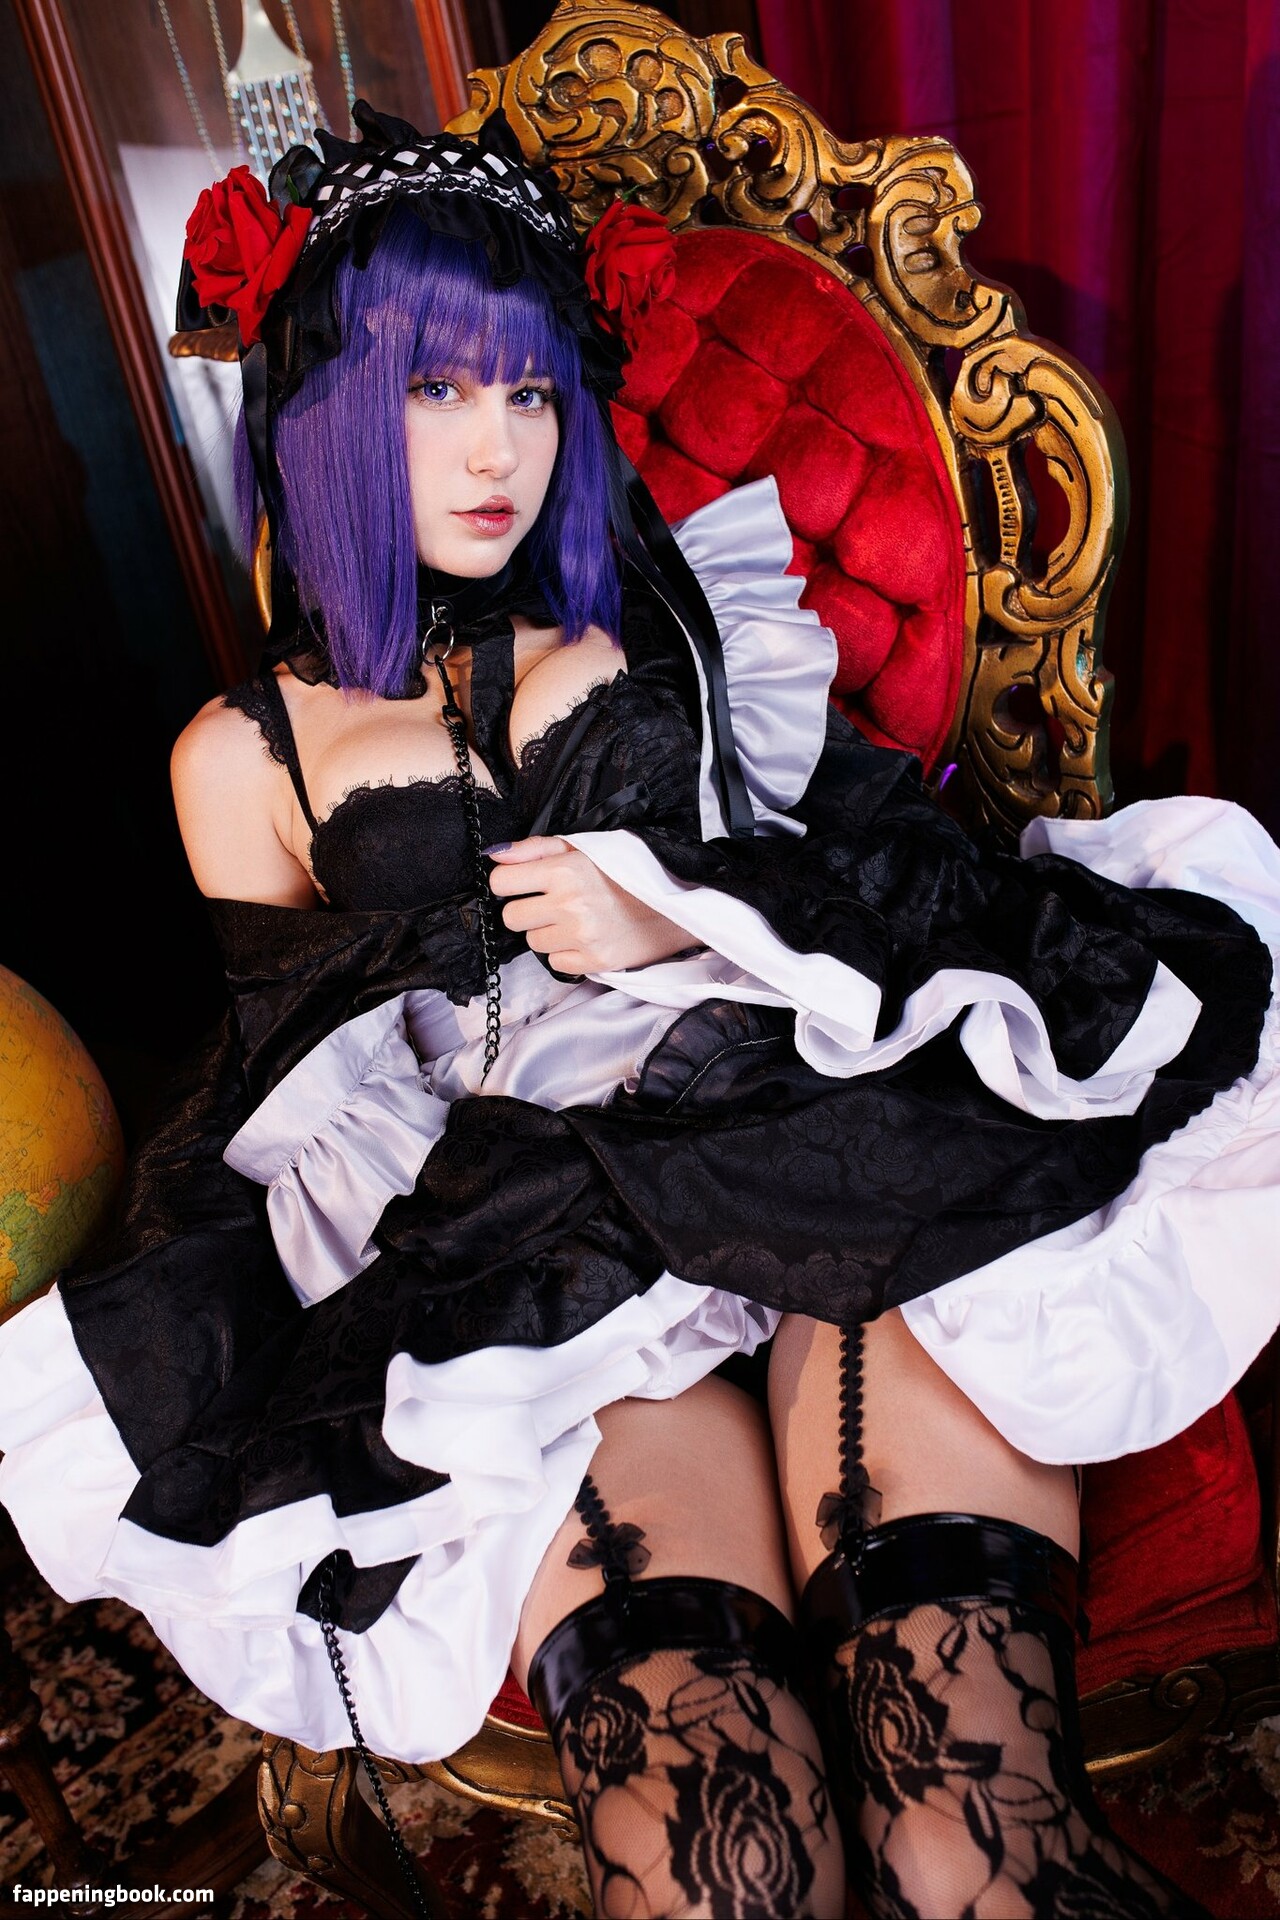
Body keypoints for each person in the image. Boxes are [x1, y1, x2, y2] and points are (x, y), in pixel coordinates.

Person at [1, 100, 1275, 1920]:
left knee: (965, 1825)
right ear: (327, 405)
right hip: (531, 1247)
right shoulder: (240, 755)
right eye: (438, 388)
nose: (499, 447)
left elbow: (887, 855)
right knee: (719, 1850)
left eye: (531, 392)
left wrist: (676, 906)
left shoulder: (669, 616)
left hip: (816, 1137)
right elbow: (290, 1078)